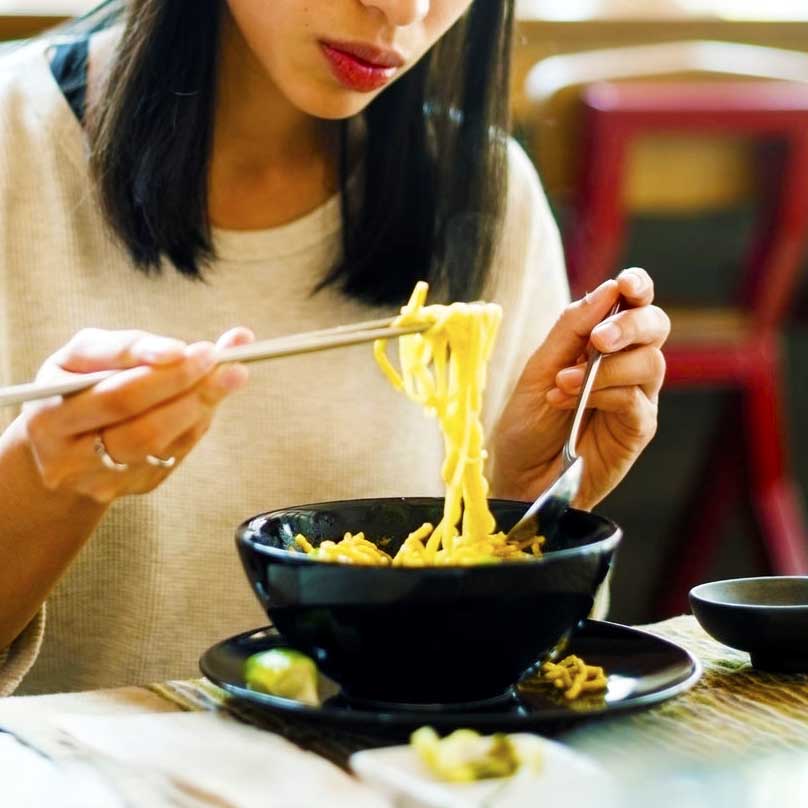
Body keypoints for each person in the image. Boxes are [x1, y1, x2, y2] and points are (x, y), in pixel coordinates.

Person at [0, 0, 669, 696]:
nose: (403, 8)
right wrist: (46, 481)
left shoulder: (489, 196)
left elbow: (518, 694)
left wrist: (527, 518)